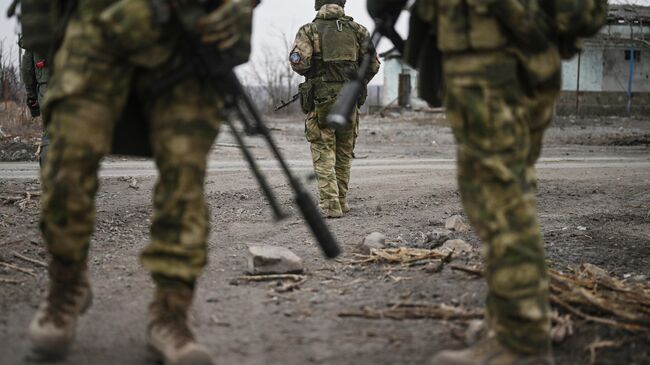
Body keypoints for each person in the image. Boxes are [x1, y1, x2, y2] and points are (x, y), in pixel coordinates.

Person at [366, 0, 601, 363]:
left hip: (490, 63)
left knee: (498, 197)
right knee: (509, 189)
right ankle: (509, 324)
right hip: (530, 56)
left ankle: (521, 344)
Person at [28, 0, 258, 364]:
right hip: (97, 27)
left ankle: (170, 314)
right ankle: (66, 284)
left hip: (185, 32)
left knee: (184, 182)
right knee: (64, 166)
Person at [289, 0, 380, 218]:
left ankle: (330, 205)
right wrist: (357, 82)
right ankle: (340, 201)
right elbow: (374, 64)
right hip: (350, 99)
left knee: (323, 149)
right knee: (344, 152)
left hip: (322, 99)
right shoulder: (357, 30)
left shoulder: (310, 30)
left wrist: (317, 73)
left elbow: (299, 63)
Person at [20, 49, 50, 166]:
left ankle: (50, 175)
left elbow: (27, 67)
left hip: (46, 86)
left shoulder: (36, 31)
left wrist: (31, 94)